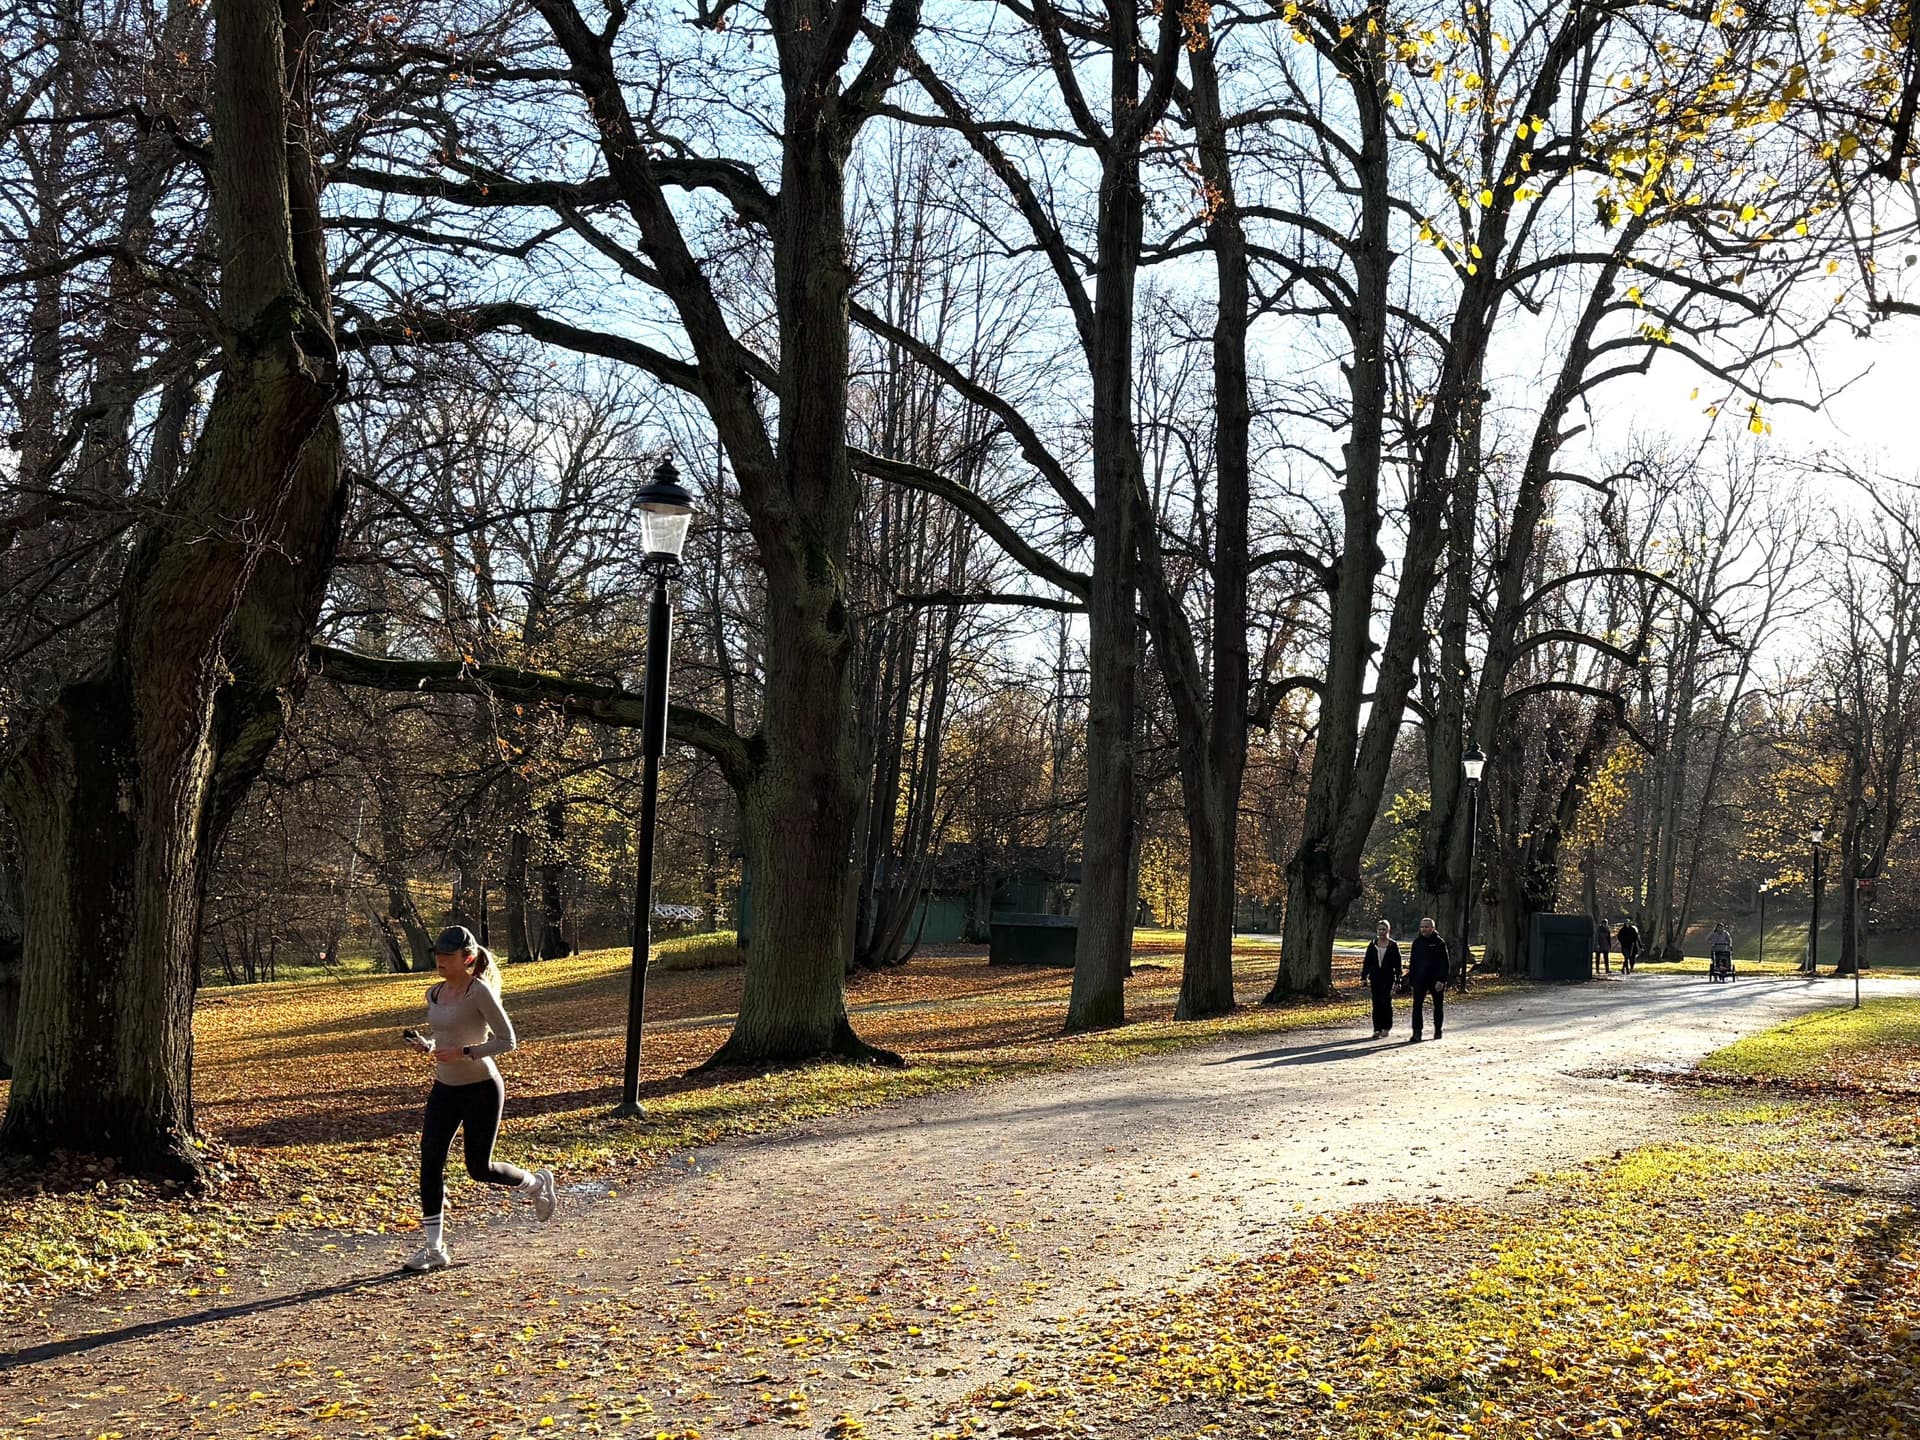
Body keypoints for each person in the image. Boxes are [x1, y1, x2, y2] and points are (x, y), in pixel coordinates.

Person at [403, 925, 557, 1272]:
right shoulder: (434, 993)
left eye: (447, 956)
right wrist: (428, 1044)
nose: (440, 961)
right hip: (445, 1088)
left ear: (467, 958)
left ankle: (535, 1183)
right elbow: (445, 1033)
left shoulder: (479, 992)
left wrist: (465, 1051)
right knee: (430, 1162)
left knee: (479, 1168)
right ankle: (434, 1248)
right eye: (437, 955)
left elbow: (508, 1040)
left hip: (481, 1088)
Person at [1408, 916, 1449, 1042]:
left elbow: (1445, 963)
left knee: (1438, 1006)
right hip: (1420, 979)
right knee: (1417, 1006)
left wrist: (1441, 980)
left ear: (1433, 928)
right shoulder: (1417, 943)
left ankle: (1438, 1030)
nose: (1424, 929)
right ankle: (1416, 1032)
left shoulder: (1439, 942)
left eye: (1426, 927)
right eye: (1422, 927)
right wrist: (1412, 979)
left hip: (1436, 980)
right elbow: (1413, 963)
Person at [1360, 920, 1403, 1038]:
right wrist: (1364, 977)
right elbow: (1367, 962)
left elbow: (1398, 964)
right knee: (1376, 1002)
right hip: (1375, 977)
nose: (1381, 932)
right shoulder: (1372, 944)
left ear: (1388, 930)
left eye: (1383, 929)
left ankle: (1386, 1027)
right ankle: (1377, 1028)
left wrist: (1399, 979)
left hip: (1388, 977)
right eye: (1379, 929)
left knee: (1385, 1001)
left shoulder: (1393, 945)